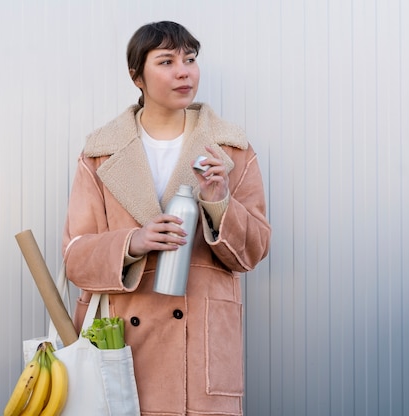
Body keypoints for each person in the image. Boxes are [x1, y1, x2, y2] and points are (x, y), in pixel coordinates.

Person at [62, 21, 270, 416]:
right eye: (166, 61)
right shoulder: (100, 153)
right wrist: (132, 243)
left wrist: (220, 202)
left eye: (190, 60)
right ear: (136, 76)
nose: (183, 71)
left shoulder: (232, 149)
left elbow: (254, 251)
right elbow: (75, 255)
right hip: (121, 348)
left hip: (200, 353)